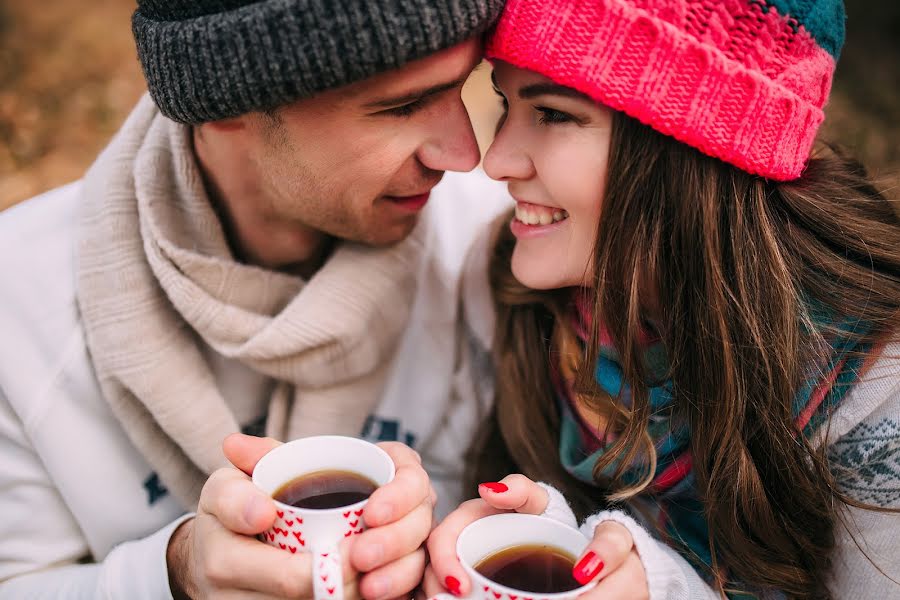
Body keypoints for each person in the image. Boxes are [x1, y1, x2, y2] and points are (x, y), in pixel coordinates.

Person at [0, 0, 512, 598]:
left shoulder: (491, 243)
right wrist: (175, 573)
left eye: (466, 88)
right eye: (400, 106)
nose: (465, 155)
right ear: (225, 103)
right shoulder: (19, 308)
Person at [426, 0, 900, 598]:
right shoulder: (515, 280)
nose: (494, 161)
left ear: (693, 151)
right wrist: (550, 537)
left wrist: (661, 586)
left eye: (551, 112)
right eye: (505, 104)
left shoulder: (875, 386)